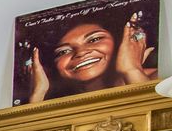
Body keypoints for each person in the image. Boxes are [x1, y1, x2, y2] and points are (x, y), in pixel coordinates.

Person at [24, 9, 157, 102]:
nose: (81, 52)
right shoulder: (57, 102)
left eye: (94, 39)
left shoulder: (156, 79)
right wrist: (37, 94)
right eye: (63, 51)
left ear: (121, 41)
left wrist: (132, 70)